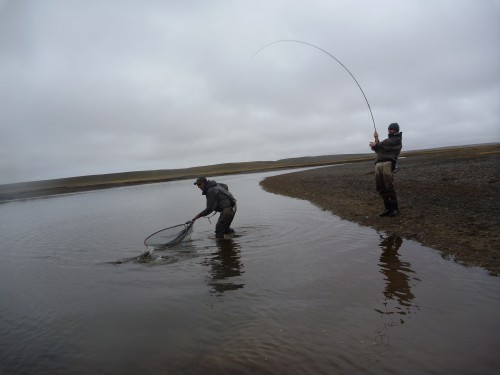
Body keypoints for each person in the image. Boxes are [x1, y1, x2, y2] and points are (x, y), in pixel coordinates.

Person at [369, 123, 403, 217]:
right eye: (388, 128)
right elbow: (378, 150)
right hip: (378, 164)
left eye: (391, 129)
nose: (389, 130)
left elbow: (385, 144)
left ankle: (395, 209)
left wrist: (376, 144)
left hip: (388, 163)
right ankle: (387, 209)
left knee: (389, 186)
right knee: (380, 187)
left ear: (396, 130)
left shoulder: (397, 139)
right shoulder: (386, 141)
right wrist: (376, 141)